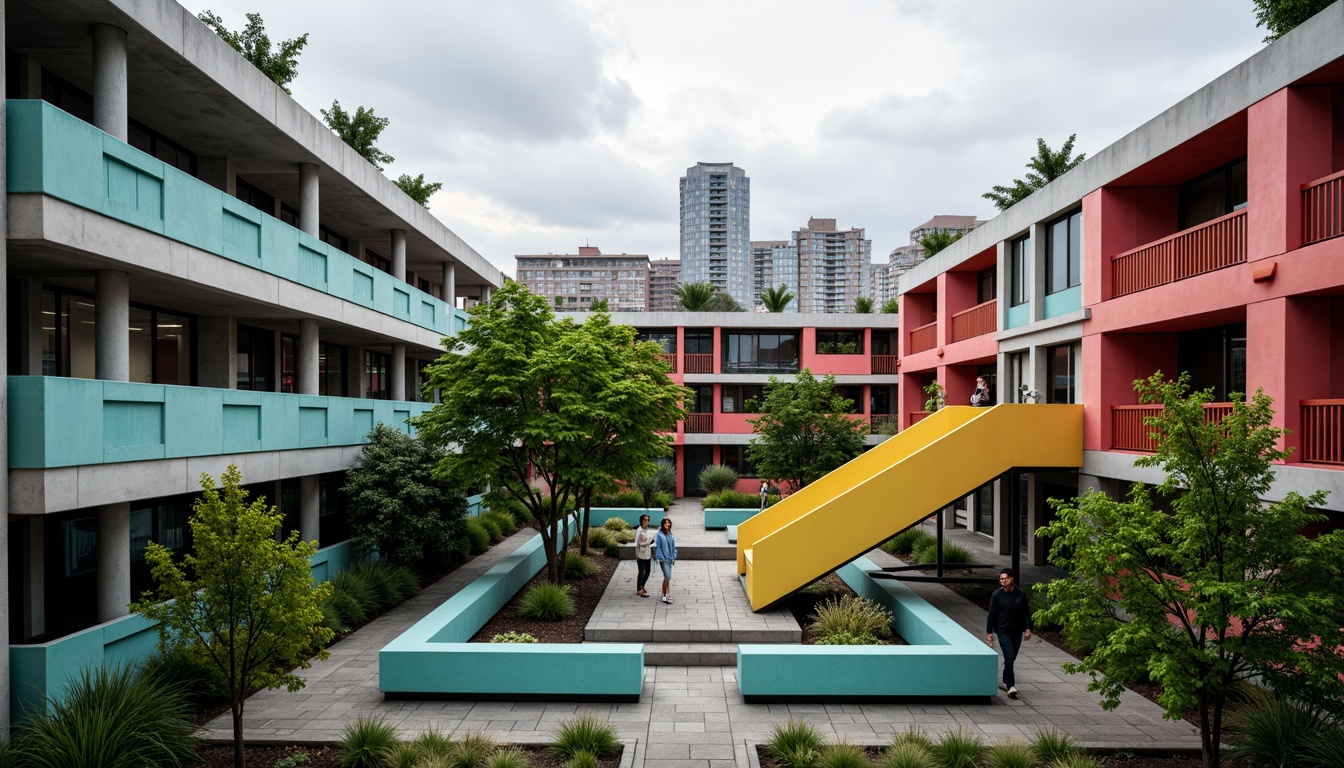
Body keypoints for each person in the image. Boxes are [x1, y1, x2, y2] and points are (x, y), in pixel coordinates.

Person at [986, 567, 1032, 699]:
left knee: (1011, 658)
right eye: (1001, 579)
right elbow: (992, 614)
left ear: (1012, 579)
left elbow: (1026, 613)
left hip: (1017, 632)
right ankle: (1011, 686)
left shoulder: (1020, 595)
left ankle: (1005, 681)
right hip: (1003, 631)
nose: (1003, 581)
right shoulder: (997, 595)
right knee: (1009, 656)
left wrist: (1028, 628)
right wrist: (990, 632)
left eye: (1005, 578)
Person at [653, 517, 677, 604]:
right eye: (666, 523)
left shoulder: (670, 534)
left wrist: (674, 555)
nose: (667, 524)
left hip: (670, 559)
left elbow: (674, 546)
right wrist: (661, 558)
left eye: (669, 523)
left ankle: (665, 594)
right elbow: (658, 547)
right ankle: (666, 594)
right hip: (663, 559)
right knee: (668, 576)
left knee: (667, 577)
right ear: (662, 524)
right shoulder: (659, 535)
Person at [633, 514, 654, 598]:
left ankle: (642, 586)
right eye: (645, 520)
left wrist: (651, 541)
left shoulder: (647, 530)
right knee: (641, 572)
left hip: (648, 553)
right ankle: (639, 589)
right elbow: (637, 542)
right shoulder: (639, 530)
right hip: (641, 554)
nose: (646, 521)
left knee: (648, 571)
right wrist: (647, 542)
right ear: (641, 521)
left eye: (647, 519)